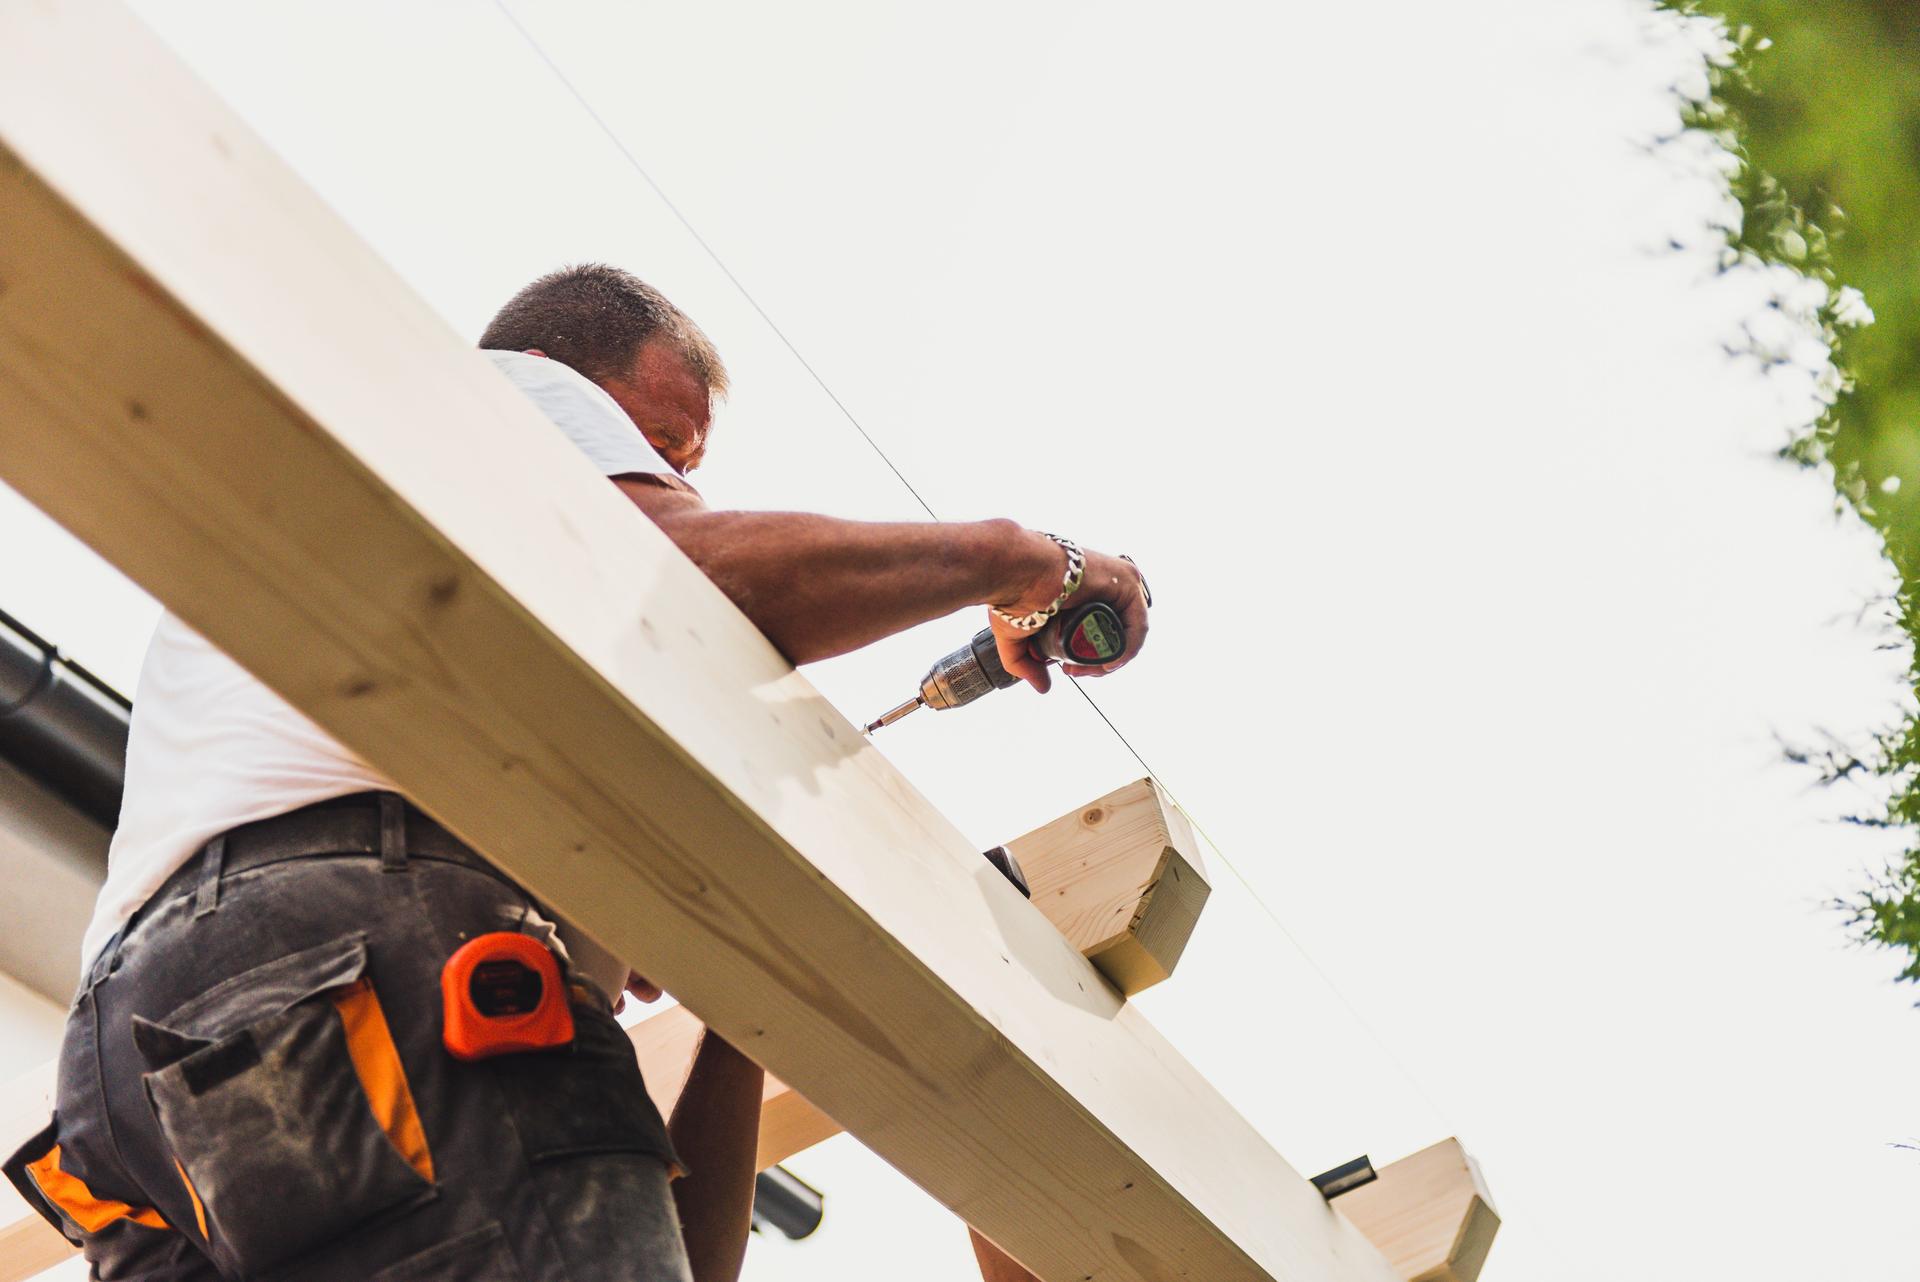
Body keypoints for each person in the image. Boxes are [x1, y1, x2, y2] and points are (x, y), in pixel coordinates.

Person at [4, 264, 1148, 1281]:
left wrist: (752, 993)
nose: (674, 480)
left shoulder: (408, 665)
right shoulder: (504, 392)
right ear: (558, 375)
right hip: (340, 953)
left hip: (139, 1077)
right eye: (660, 448)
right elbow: (686, 579)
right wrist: (1022, 560)